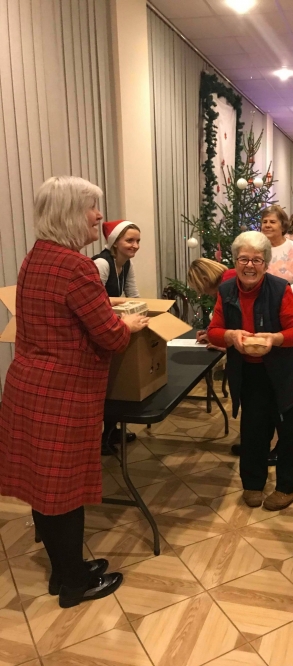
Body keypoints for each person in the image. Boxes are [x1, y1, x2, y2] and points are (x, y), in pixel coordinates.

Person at [0, 176, 148, 608]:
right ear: (68, 213)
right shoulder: (76, 267)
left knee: (45, 489)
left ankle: (64, 570)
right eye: (91, 207)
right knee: (64, 493)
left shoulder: (36, 257)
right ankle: (73, 585)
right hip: (63, 394)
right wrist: (128, 324)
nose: (99, 215)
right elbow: (110, 337)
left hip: (28, 386)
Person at [207, 231, 293, 511]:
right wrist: (230, 335)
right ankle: (252, 484)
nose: (249, 266)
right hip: (250, 373)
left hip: (285, 371)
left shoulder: (279, 289)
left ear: (265, 264)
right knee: (253, 430)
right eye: (243, 259)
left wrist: (273, 339)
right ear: (235, 261)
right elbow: (213, 331)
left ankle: (289, 487)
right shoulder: (227, 291)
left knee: (288, 431)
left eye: (256, 260)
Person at [188, 256, 293, 464]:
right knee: (268, 401)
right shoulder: (230, 278)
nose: (204, 294)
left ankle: (279, 448)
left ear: (204, 279)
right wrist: (220, 335)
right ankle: (259, 443)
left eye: (201, 289)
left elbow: (250, 326)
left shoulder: (231, 283)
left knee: (284, 395)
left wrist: (226, 342)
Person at [93, 220, 141, 454]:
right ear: (115, 242)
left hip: (113, 325)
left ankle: (112, 432)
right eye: (129, 240)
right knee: (105, 385)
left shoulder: (126, 264)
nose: (135, 245)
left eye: (137, 241)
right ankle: (102, 438)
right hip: (99, 331)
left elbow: (134, 295)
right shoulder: (102, 264)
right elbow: (94, 300)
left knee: (115, 383)